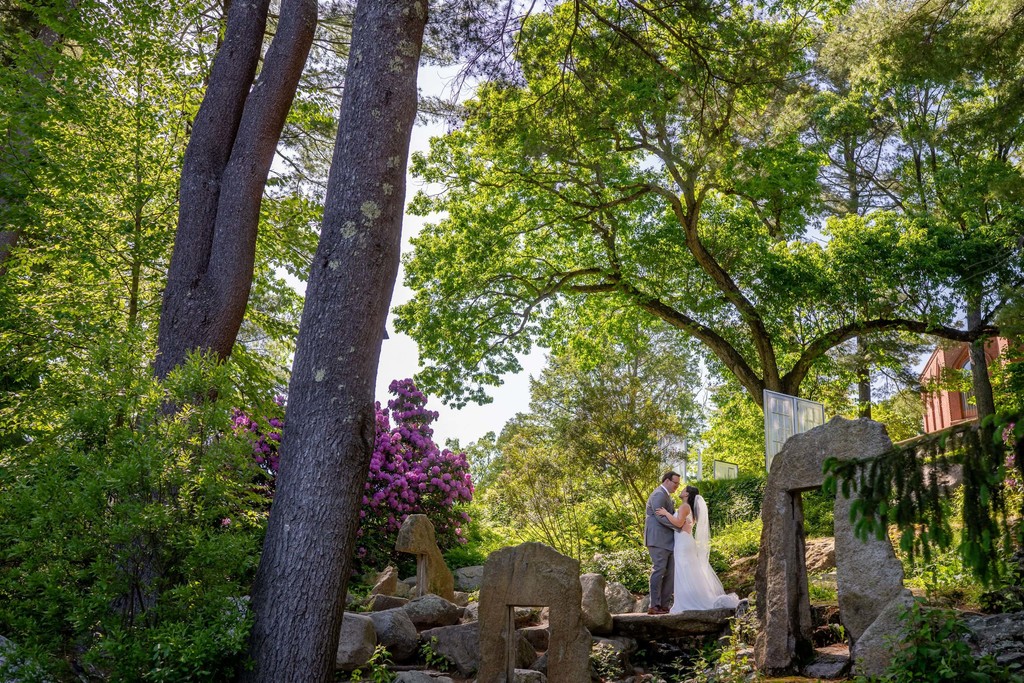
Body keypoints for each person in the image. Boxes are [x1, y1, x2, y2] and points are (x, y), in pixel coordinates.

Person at [656, 485, 740, 612]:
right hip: (685, 541)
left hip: (683, 542)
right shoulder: (690, 508)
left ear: (687, 494)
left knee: (684, 570)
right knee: (689, 571)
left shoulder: (685, 506)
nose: (681, 490)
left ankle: (689, 602)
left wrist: (666, 513)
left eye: (684, 489)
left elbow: (678, 523)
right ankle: (693, 599)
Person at [645, 471, 681, 615]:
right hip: (658, 539)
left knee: (670, 573)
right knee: (659, 570)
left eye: (678, 483)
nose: (677, 486)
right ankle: (654, 606)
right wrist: (679, 525)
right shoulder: (659, 494)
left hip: (669, 541)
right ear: (667, 480)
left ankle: (664, 605)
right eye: (675, 483)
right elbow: (661, 518)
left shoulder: (666, 496)